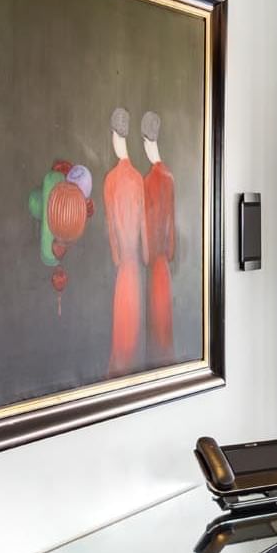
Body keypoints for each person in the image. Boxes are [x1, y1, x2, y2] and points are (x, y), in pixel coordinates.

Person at [103, 106, 145, 376]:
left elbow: (112, 234)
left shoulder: (110, 180)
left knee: (122, 329)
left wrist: (119, 257)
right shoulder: (138, 179)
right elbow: (144, 231)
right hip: (136, 269)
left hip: (123, 269)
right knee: (134, 327)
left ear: (113, 135)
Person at [141, 110, 176, 363]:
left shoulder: (149, 181)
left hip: (155, 265)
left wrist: (149, 256)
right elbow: (171, 228)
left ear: (146, 141)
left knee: (156, 324)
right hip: (165, 266)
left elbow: (149, 229)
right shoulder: (170, 178)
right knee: (165, 326)